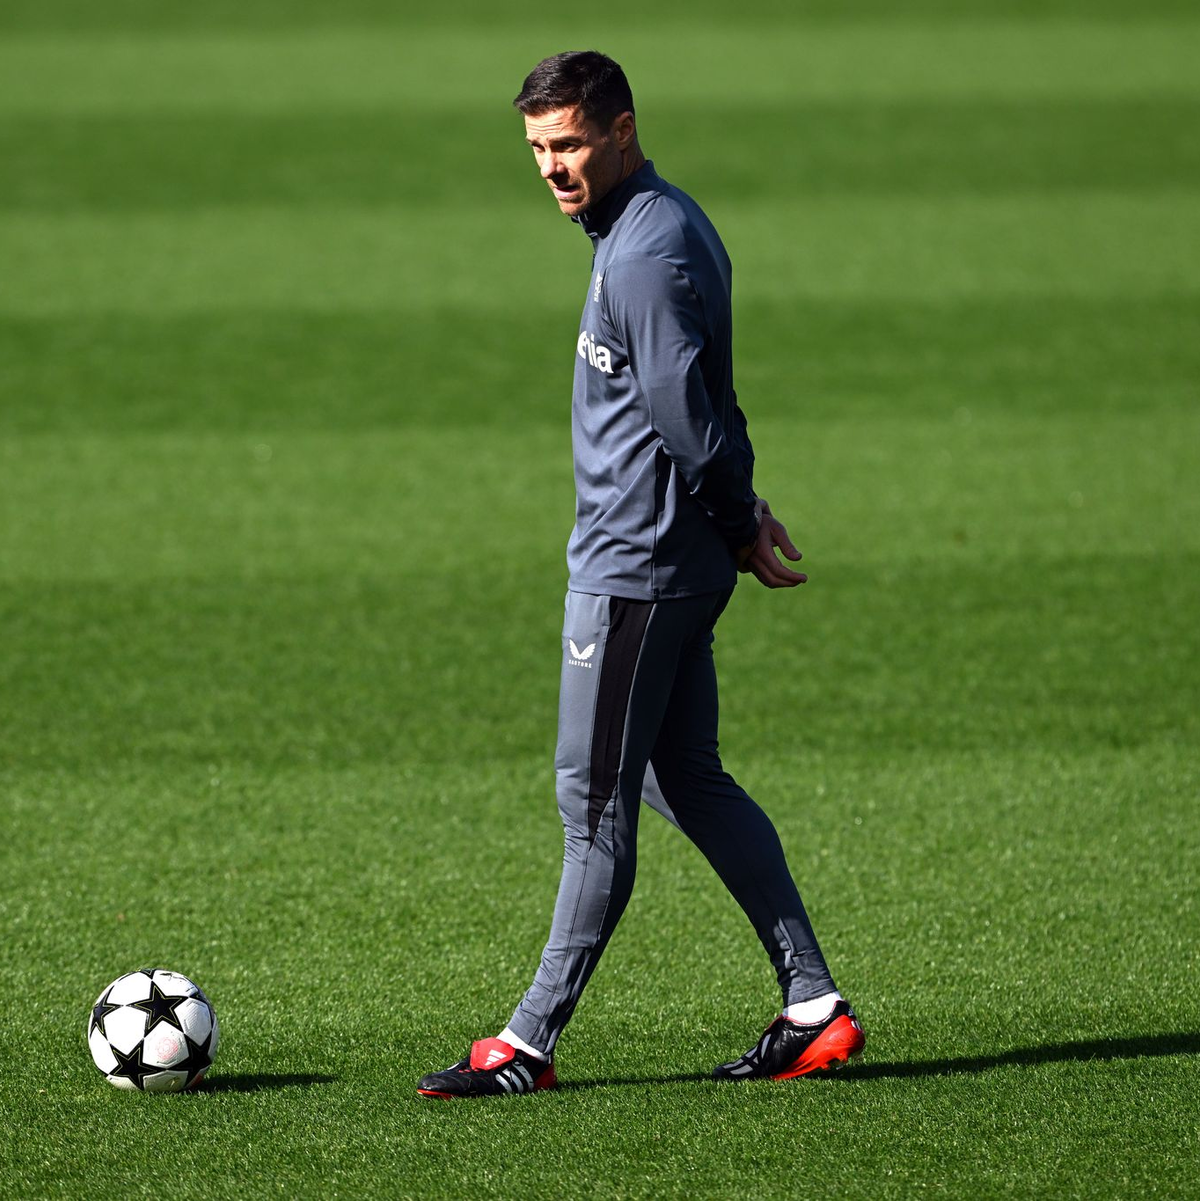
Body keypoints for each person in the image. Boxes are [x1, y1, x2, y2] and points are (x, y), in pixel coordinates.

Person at [417, 50, 864, 1099]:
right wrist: (739, 510)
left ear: (622, 130)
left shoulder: (645, 254)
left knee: (593, 805)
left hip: (638, 571)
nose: (552, 167)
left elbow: (688, 419)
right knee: (683, 776)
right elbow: (705, 397)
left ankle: (527, 1043)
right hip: (667, 556)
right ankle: (814, 1006)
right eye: (538, 148)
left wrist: (737, 517)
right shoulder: (652, 224)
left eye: (570, 143)